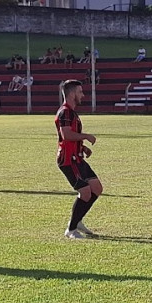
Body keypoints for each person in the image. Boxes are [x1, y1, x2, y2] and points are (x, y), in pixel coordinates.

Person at [55, 79, 104, 239]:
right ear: (72, 94)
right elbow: (66, 135)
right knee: (85, 192)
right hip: (68, 160)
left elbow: (69, 137)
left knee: (96, 188)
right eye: (80, 92)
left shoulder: (71, 112)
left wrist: (82, 147)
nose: (82, 95)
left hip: (77, 157)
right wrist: (86, 136)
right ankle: (71, 230)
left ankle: (77, 220)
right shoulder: (65, 112)